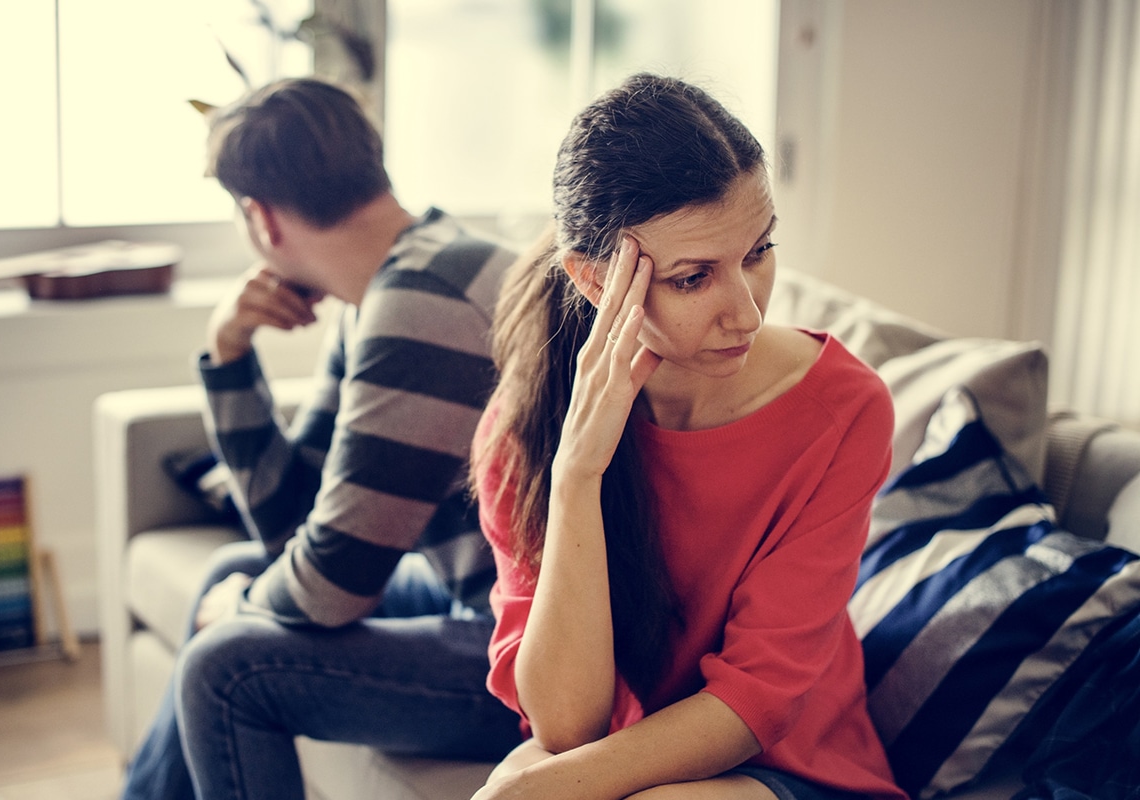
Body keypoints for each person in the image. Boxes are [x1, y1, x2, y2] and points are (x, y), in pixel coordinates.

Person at [469, 73, 909, 800]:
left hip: (793, 766)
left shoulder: (842, 410)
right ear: (594, 281)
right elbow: (566, 725)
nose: (747, 313)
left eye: (758, 251)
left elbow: (756, 703)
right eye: (693, 278)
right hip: (630, 744)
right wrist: (577, 474)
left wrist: (538, 791)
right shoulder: (528, 426)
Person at [120, 77, 523, 800]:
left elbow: (333, 588)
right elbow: (293, 524)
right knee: (232, 570)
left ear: (261, 218)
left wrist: (245, 608)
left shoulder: (421, 305)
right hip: (490, 601)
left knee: (226, 667)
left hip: (542, 655)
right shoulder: (410, 270)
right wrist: (228, 353)